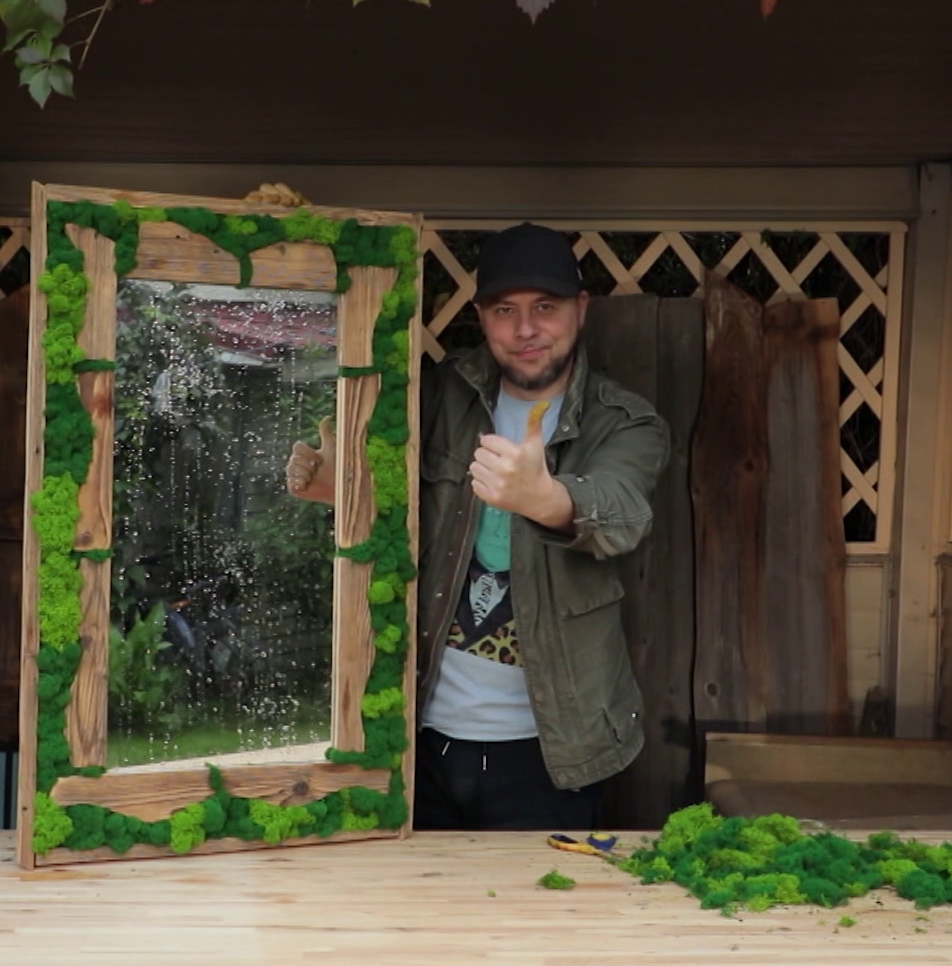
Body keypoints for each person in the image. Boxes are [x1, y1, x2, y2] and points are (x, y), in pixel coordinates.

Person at [286, 222, 670, 831]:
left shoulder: (625, 421)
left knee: (539, 895)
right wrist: (345, 492)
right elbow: (392, 513)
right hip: (414, 736)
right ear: (480, 317)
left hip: (554, 752)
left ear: (580, 309)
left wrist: (547, 497)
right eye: (504, 310)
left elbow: (622, 512)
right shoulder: (438, 394)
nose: (525, 329)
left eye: (545, 307)